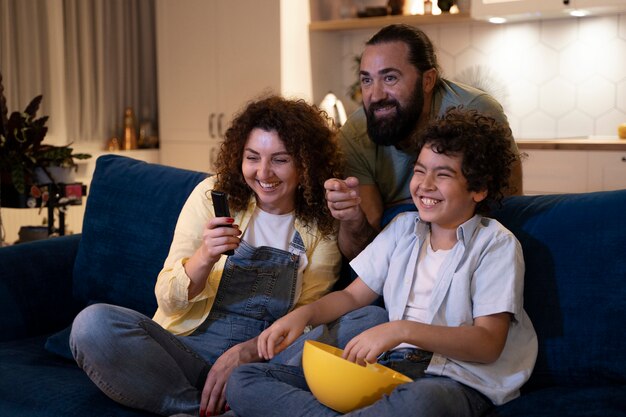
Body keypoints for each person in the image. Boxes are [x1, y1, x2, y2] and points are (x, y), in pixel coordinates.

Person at [226, 107, 538, 417]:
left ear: (479, 189)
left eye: (442, 175)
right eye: (419, 170)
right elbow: (351, 295)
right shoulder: (403, 228)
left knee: (419, 403)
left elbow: (487, 344)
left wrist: (401, 330)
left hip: (455, 381)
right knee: (244, 380)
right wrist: (301, 317)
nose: (425, 185)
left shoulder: (495, 245)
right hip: (390, 371)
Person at [69, 95, 345, 417]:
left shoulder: (321, 222)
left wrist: (249, 352)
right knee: (93, 325)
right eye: (252, 157)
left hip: (259, 361)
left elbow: (304, 319)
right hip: (187, 351)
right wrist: (204, 257)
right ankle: (196, 406)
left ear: (305, 163)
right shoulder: (211, 195)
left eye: (280, 160)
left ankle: (233, 397)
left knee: (353, 323)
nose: (263, 172)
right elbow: (167, 300)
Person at [325, 24, 523, 260]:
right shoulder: (355, 133)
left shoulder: (477, 112)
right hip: (397, 260)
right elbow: (365, 256)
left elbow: (510, 210)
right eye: (367, 80)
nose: (375, 95)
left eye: (390, 78)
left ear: (428, 80)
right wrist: (352, 220)